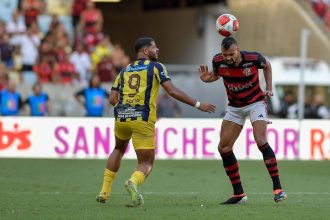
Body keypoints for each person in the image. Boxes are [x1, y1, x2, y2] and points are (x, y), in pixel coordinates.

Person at [96, 37, 216, 207]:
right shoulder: (156, 67)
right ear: (145, 51)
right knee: (146, 162)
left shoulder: (125, 70)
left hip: (121, 118)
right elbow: (172, 91)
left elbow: (112, 99)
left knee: (118, 149)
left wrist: (126, 107)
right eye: (154, 47)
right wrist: (198, 104)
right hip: (142, 119)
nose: (157, 49)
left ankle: (104, 191)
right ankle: (132, 182)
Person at [198, 36, 287, 204]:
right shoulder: (217, 60)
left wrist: (268, 87)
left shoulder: (253, 59)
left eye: (231, 54)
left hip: (256, 103)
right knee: (224, 147)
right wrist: (206, 79)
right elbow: (216, 75)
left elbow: (267, 65)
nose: (228, 58)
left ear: (237, 49)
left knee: (260, 140)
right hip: (235, 107)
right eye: (225, 55)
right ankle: (239, 194)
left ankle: (278, 188)